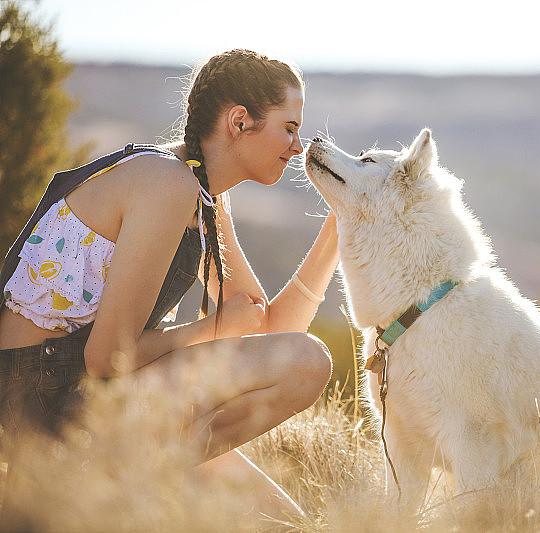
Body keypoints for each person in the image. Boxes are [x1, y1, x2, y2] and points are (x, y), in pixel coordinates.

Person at [0, 49, 337, 526]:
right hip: (43, 399)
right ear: (239, 121)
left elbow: (270, 331)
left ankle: (130, 488)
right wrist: (211, 329)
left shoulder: (203, 197)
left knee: (285, 519)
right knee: (308, 361)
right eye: (289, 126)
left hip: (87, 387)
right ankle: (95, 491)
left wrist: (338, 232)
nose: (298, 145)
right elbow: (106, 358)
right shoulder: (164, 184)